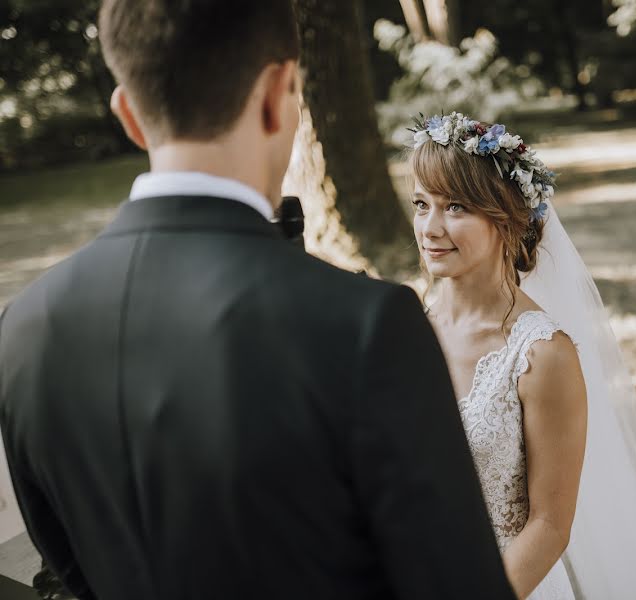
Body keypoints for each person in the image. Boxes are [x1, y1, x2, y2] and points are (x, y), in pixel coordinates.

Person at [0, 2, 515, 599]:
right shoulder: (366, 325)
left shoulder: (24, 328)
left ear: (129, 116)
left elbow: (66, 570)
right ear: (278, 94)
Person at [410, 112, 636, 599]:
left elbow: (549, 525)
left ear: (505, 219)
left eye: (456, 207)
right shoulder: (407, 328)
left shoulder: (543, 353)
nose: (430, 227)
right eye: (422, 204)